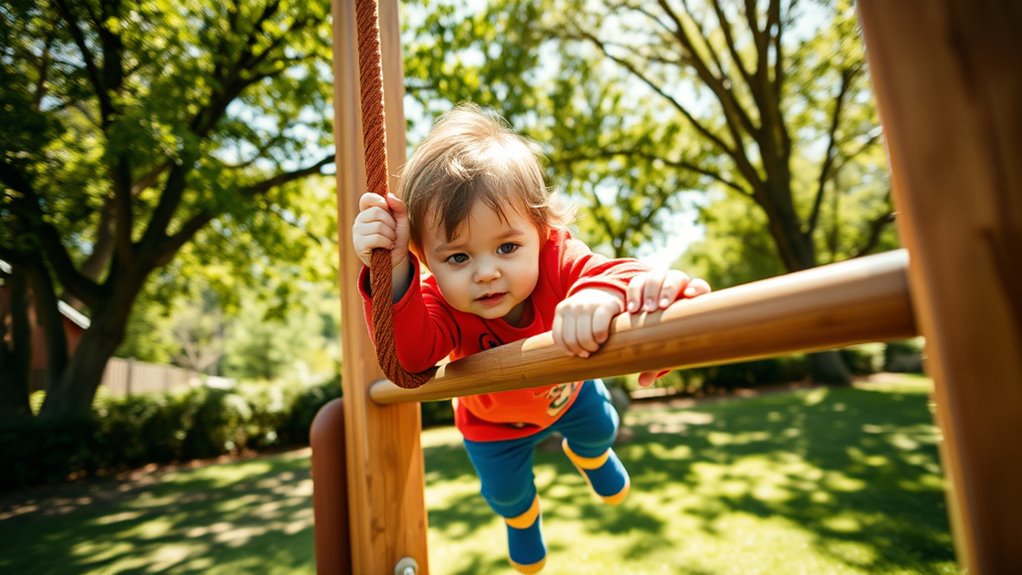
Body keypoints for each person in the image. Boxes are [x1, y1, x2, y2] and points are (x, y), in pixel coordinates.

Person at [352, 104, 710, 573]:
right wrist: (395, 270)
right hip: (491, 425)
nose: (486, 273)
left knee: (600, 427)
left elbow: (616, 272)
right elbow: (409, 355)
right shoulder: (437, 300)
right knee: (505, 493)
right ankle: (523, 519)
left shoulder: (558, 259)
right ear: (427, 259)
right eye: (457, 257)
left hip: (568, 397)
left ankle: (591, 455)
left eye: (506, 247)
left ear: (542, 232)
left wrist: (598, 293)